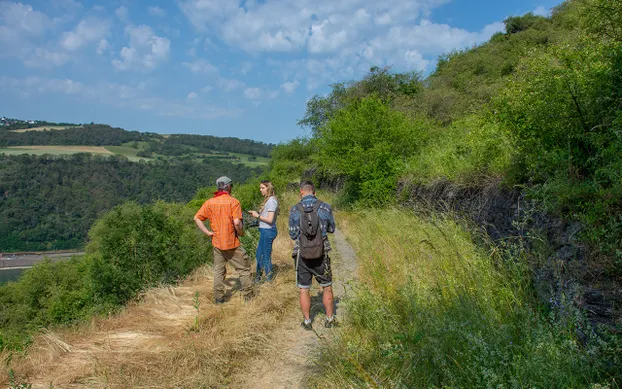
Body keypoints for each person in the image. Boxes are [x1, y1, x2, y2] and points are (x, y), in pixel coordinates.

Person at [194, 176, 253, 304]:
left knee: (218, 271)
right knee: (244, 269)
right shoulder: (234, 202)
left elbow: (197, 218)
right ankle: (248, 296)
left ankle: (219, 298)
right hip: (232, 243)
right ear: (228, 186)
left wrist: (207, 232)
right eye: (231, 185)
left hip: (217, 243)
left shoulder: (210, 202)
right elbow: (237, 222)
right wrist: (241, 232)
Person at [289, 180, 336, 330]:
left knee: (304, 288)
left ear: (301, 192)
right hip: (321, 253)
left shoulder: (294, 210)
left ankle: (308, 321)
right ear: (315, 193)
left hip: (302, 254)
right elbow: (332, 229)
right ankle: (329, 319)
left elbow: (292, 234)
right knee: (327, 287)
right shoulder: (325, 207)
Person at [248, 180, 278, 283]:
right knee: (259, 255)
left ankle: (269, 281)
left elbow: (270, 220)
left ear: (268, 188)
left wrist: (258, 216)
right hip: (264, 230)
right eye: (260, 188)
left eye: (262, 188)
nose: (260, 190)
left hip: (268, 231)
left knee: (265, 256)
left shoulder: (271, 201)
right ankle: (258, 278)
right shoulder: (269, 200)